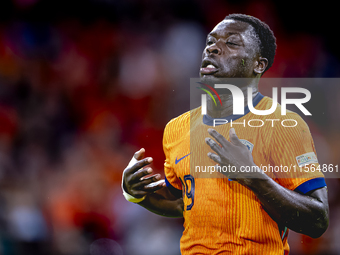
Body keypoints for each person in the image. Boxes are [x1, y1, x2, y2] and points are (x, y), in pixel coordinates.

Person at [122, 14, 329, 254]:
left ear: (258, 64)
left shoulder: (283, 124)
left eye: (231, 43)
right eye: (210, 41)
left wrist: (254, 178)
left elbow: (318, 220)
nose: (212, 48)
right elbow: (182, 202)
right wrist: (136, 194)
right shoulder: (177, 128)